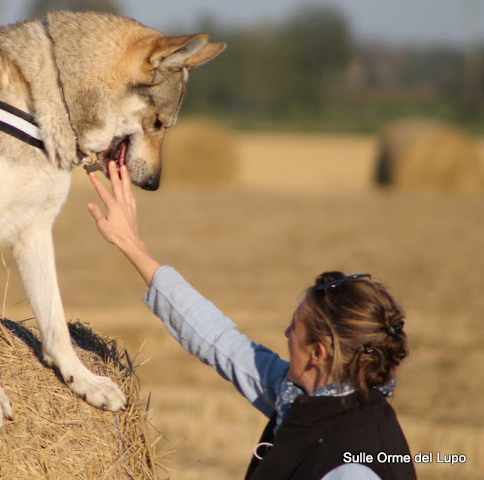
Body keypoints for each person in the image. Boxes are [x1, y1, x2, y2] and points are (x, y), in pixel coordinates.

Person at [86, 161, 416, 480]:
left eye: (295, 327)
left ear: (318, 354)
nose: (286, 334)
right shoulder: (306, 397)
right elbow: (219, 341)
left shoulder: (353, 467)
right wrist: (131, 244)